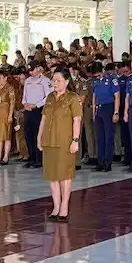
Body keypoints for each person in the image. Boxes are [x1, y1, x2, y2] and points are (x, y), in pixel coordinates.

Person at [39, 67, 83, 222]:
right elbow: (44, 118)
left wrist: (75, 140)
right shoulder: (50, 97)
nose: (55, 83)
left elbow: (77, 120)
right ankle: (56, 206)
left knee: (64, 175)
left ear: (67, 81)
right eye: (54, 80)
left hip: (65, 142)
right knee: (52, 175)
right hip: (49, 140)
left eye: (58, 80)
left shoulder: (73, 98)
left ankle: (64, 206)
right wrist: (39, 137)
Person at [22, 63, 51, 169]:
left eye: (32, 70)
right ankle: (32, 157)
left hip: (39, 110)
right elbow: (24, 95)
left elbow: (48, 96)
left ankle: (39, 159)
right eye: (29, 70)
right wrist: (24, 104)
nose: (31, 72)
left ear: (38, 69)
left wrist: (37, 105)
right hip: (28, 109)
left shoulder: (45, 81)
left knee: (38, 134)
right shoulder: (27, 81)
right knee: (28, 134)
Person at [90, 62, 118, 171]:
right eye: (95, 76)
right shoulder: (95, 81)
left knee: (108, 136)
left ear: (102, 71)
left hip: (108, 107)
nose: (97, 77)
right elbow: (94, 96)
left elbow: (117, 96)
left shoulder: (111, 79)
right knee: (100, 137)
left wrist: (116, 112)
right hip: (99, 108)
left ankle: (107, 162)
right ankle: (100, 162)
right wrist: (94, 112)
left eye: (98, 75)